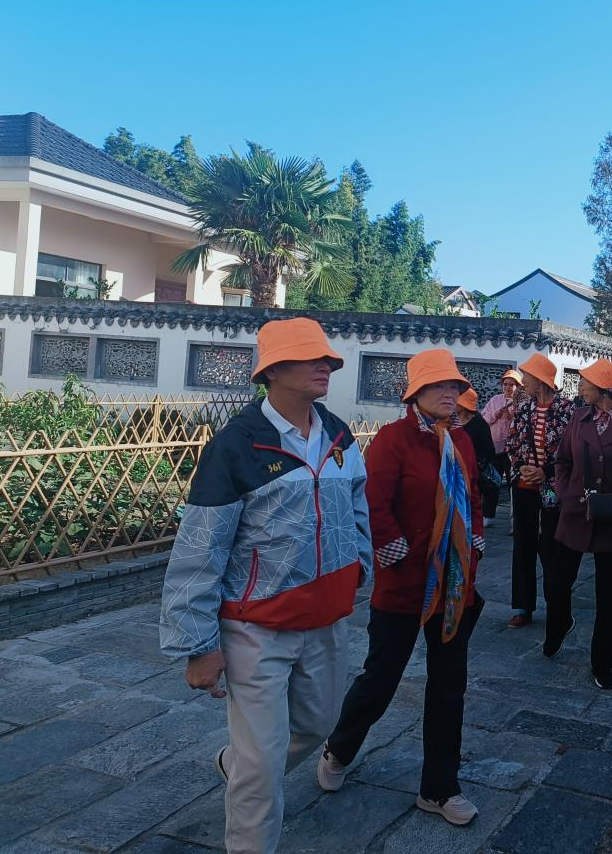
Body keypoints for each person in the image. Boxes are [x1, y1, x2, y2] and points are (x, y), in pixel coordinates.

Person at [159, 317, 373, 854]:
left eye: (328, 358)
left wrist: (360, 566)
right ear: (272, 371)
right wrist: (198, 645)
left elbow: (357, 506)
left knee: (318, 725)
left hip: (326, 620)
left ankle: (239, 763)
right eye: (310, 358)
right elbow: (199, 549)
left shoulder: (339, 436)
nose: (326, 365)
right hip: (255, 627)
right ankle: (250, 787)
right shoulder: (237, 446)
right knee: (261, 769)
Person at [317, 349, 485, 826]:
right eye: (439, 386)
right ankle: (338, 748)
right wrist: (397, 551)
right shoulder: (393, 440)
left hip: (453, 589)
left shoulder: (462, 440)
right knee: (381, 678)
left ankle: (439, 789)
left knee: (449, 688)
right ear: (416, 393)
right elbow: (374, 503)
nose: (450, 393)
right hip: (403, 587)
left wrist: (473, 539)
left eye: (454, 386)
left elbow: (473, 496)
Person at [545, 358, 612, 690]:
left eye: (585, 382)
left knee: (606, 598)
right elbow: (562, 460)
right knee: (557, 582)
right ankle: (559, 624)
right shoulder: (578, 417)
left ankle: (602, 663)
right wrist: (564, 492)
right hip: (575, 512)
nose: (580, 387)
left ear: (604, 388)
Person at [505, 353, 574, 628]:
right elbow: (512, 442)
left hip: (553, 489)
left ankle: (555, 603)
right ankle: (523, 605)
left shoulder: (568, 411)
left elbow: (572, 451)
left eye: (528, 376)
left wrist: (546, 471)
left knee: (551, 546)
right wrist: (521, 466)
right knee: (523, 544)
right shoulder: (523, 409)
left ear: (541, 380)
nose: (524, 381)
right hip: (524, 486)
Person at [480, 369, 522, 523]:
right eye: (505, 384)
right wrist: (495, 415)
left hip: (513, 451)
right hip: (495, 449)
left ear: (518, 386)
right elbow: (483, 420)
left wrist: (511, 417)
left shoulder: (522, 403)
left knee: (514, 485)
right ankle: (488, 515)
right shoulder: (494, 400)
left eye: (511, 384)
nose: (508, 387)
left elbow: (524, 424)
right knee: (492, 482)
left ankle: (514, 520)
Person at [457, 388, 498, 522]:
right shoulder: (451, 421)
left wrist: (476, 466)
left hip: (473, 475)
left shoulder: (479, 424)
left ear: (463, 406)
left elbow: (489, 450)